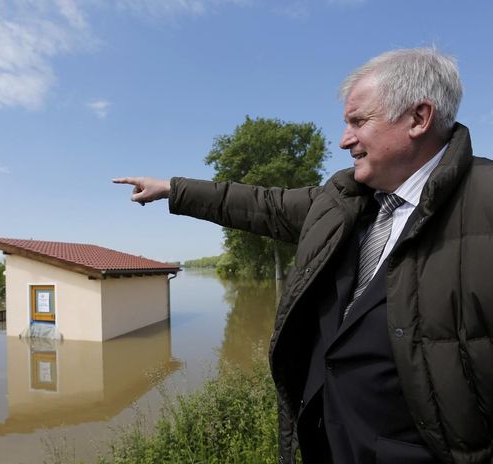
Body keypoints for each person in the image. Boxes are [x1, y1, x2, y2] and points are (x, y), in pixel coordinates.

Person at [113, 48, 493, 464]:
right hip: (326, 444)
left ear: (418, 119)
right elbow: (262, 204)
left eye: (358, 121)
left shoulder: (485, 202)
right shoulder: (345, 201)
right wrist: (172, 188)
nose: (344, 140)